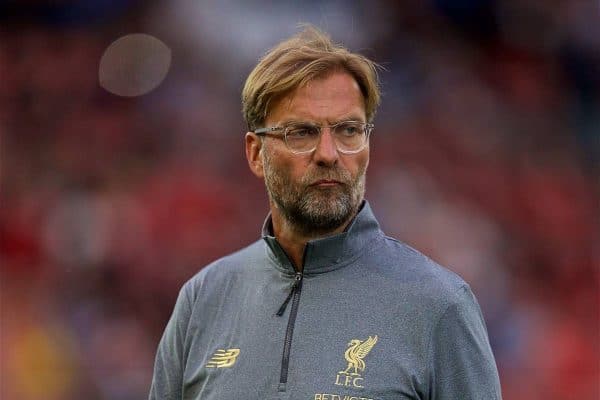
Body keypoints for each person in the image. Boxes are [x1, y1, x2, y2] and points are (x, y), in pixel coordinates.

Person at [149, 26, 502, 400]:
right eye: (301, 132)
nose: (329, 153)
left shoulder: (438, 305)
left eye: (349, 130)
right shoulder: (203, 300)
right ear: (255, 154)